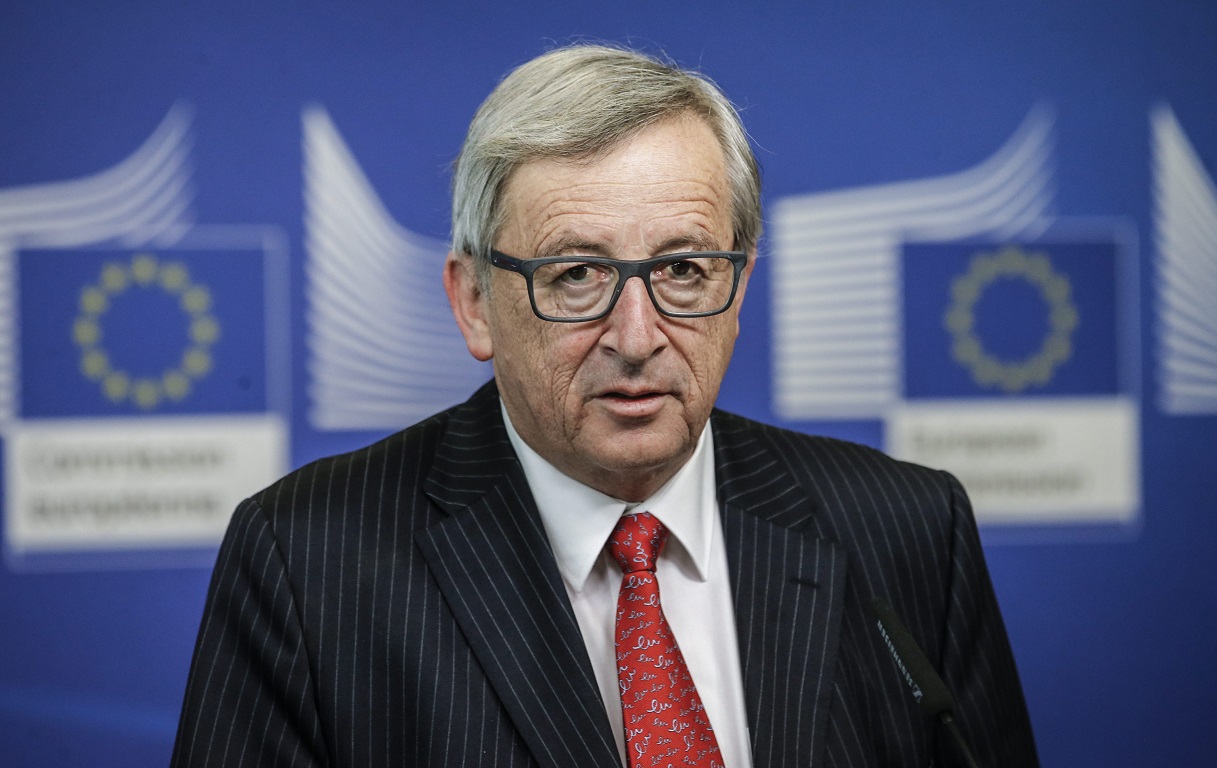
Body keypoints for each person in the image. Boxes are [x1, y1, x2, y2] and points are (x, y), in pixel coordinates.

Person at [171, 44, 1038, 768]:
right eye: (576, 273)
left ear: (738, 293)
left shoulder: (909, 529)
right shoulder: (306, 558)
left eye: (684, 269)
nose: (637, 333)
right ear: (474, 301)